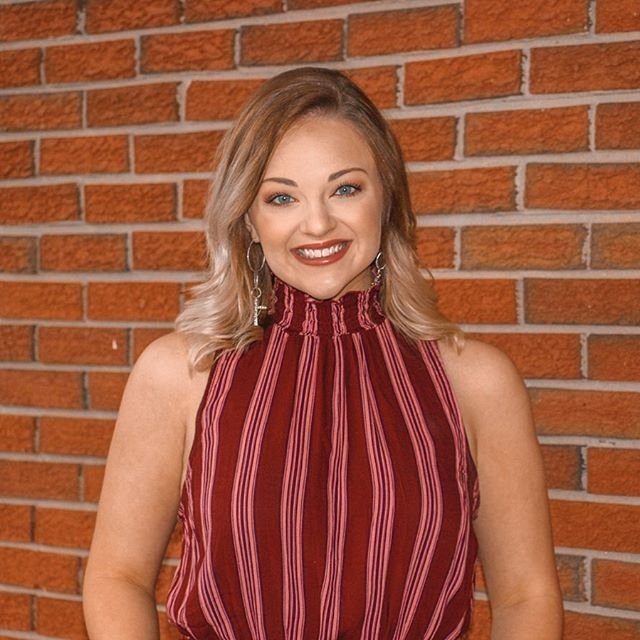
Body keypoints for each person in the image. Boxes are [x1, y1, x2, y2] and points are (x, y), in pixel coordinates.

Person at [83, 67, 563, 639]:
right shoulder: (181, 374)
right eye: (282, 197)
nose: (316, 223)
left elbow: (526, 596)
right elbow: (116, 577)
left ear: (386, 198)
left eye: (345, 189)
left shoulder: (476, 383)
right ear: (249, 220)